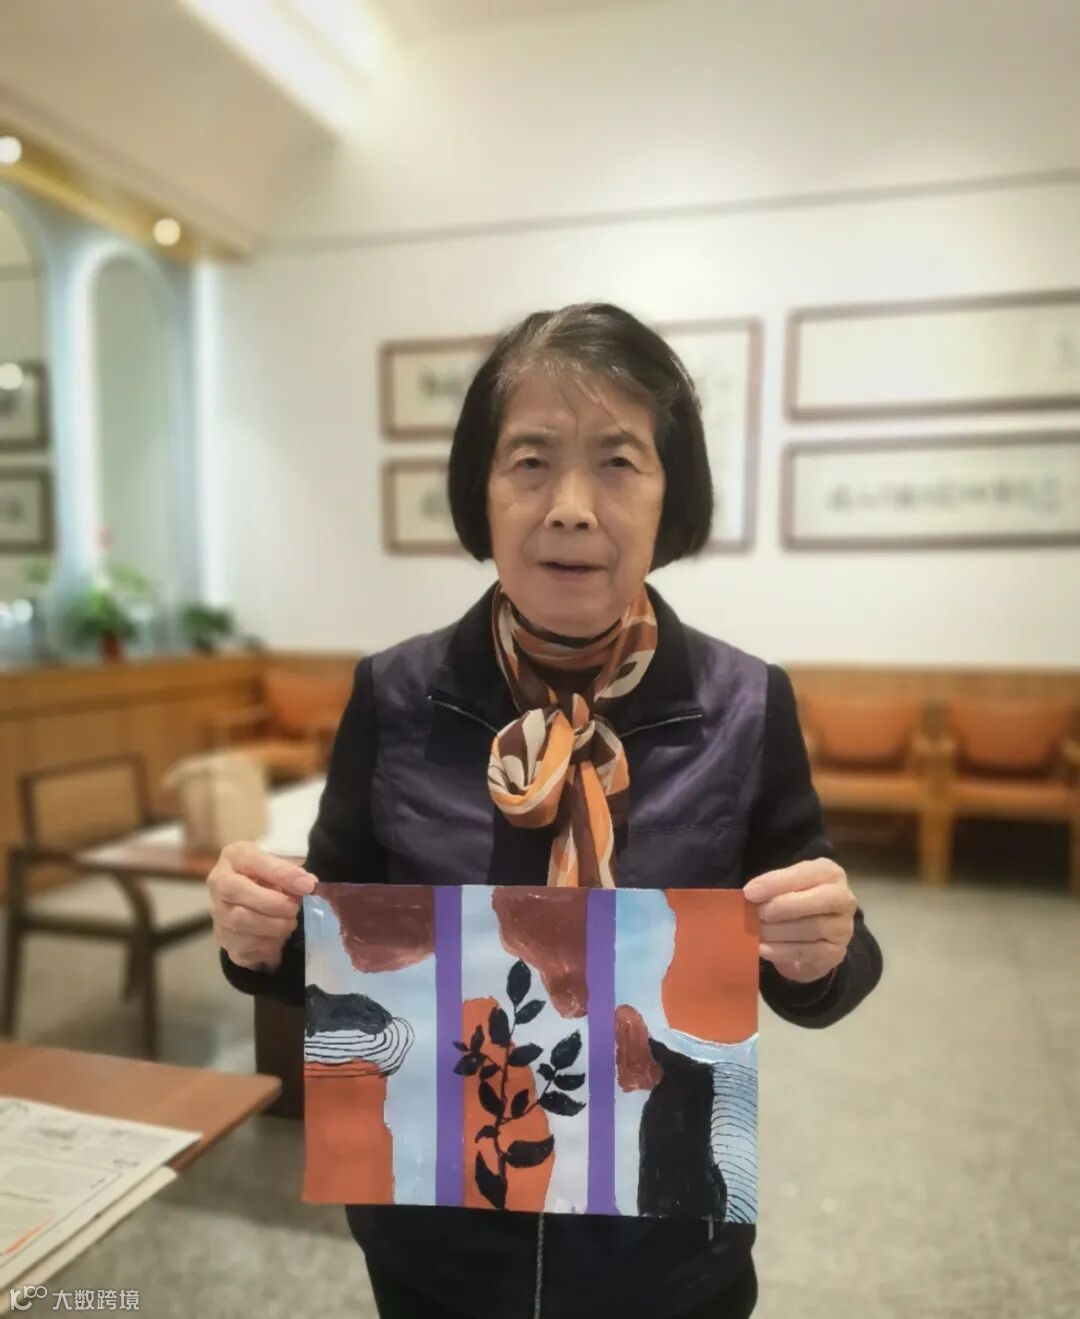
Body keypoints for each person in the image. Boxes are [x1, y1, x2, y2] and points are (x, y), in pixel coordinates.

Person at [209, 302, 883, 1319]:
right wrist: (257, 935)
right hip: (433, 1242)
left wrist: (822, 948)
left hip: (667, 1255)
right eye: (530, 461)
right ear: (480, 491)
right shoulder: (394, 698)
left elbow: (824, 967)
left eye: (617, 462)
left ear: (670, 495)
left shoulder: (746, 708)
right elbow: (329, 950)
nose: (570, 506)